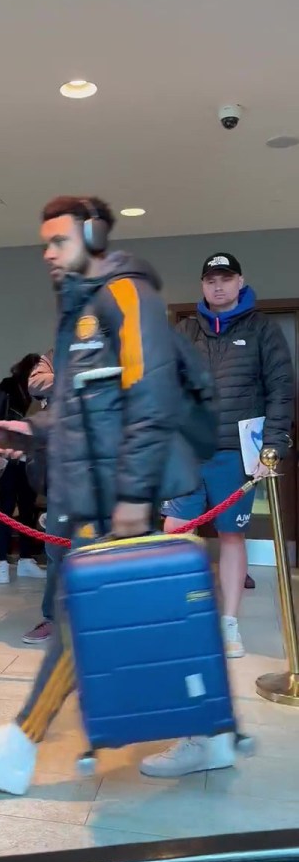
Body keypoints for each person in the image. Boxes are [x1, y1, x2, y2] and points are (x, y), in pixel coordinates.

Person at [0, 194, 204, 795]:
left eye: (59, 241)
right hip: (99, 483)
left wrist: (134, 495)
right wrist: (33, 431)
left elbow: (152, 393)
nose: (49, 253)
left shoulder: (124, 293)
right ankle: (206, 733)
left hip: (123, 489)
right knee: (131, 615)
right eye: (45, 244)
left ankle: (20, 744)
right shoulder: (82, 311)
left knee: (90, 613)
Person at [161, 253, 294, 662]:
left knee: (232, 535)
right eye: (210, 280)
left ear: (240, 281)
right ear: (202, 285)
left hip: (235, 455)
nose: (217, 286)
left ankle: (228, 621)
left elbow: (281, 390)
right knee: (175, 531)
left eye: (226, 278)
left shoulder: (262, 330)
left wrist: (272, 447)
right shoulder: (184, 330)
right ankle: (184, 619)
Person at [0, 353, 44, 584]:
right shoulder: (6, 389)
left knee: (28, 509)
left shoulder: (39, 394)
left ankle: (26, 559)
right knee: (6, 510)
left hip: (29, 460)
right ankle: (1, 562)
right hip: (7, 459)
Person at [22, 349, 61, 644]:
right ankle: (53, 618)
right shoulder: (56, 351)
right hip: (63, 468)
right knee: (57, 550)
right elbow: (36, 383)